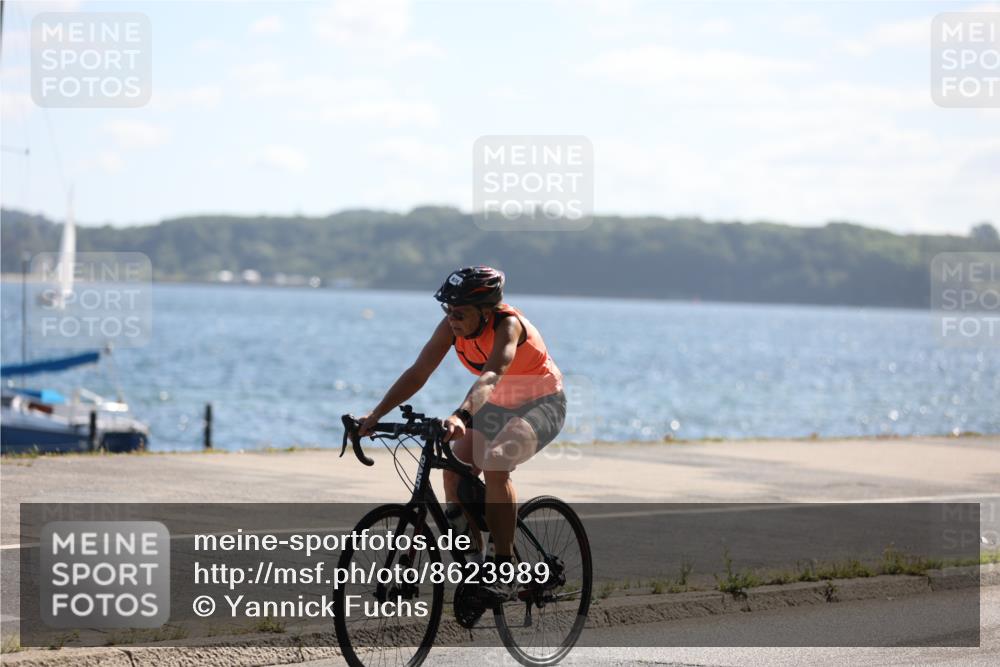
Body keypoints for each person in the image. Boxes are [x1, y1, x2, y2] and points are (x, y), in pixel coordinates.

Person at [358, 265, 567, 595]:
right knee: (453, 473)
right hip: (497, 405)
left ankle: (503, 565)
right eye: (447, 309)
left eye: (460, 311)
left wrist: (460, 416)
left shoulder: (508, 326)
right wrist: (375, 414)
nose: (452, 317)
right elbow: (419, 371)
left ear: (486, 311)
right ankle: (473, 562)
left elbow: (491, 375)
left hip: (541, 403)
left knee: (496, 462)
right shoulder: (452, 325)